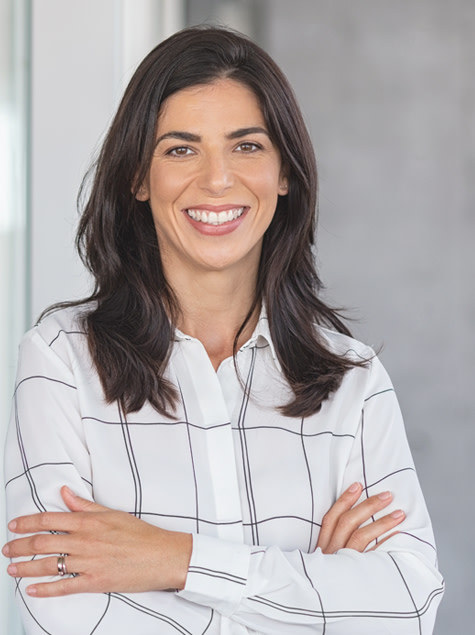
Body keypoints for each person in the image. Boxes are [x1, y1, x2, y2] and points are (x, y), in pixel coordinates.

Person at [2, 25, 443, 634]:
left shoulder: (353, 380)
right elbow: (60, 611)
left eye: (247, 146)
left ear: (283, 173)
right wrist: (315, 586)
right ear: (138, 177)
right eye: (181, 149)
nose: (216, 180)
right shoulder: (61, 362)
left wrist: (174, 560)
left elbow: (409, 608)